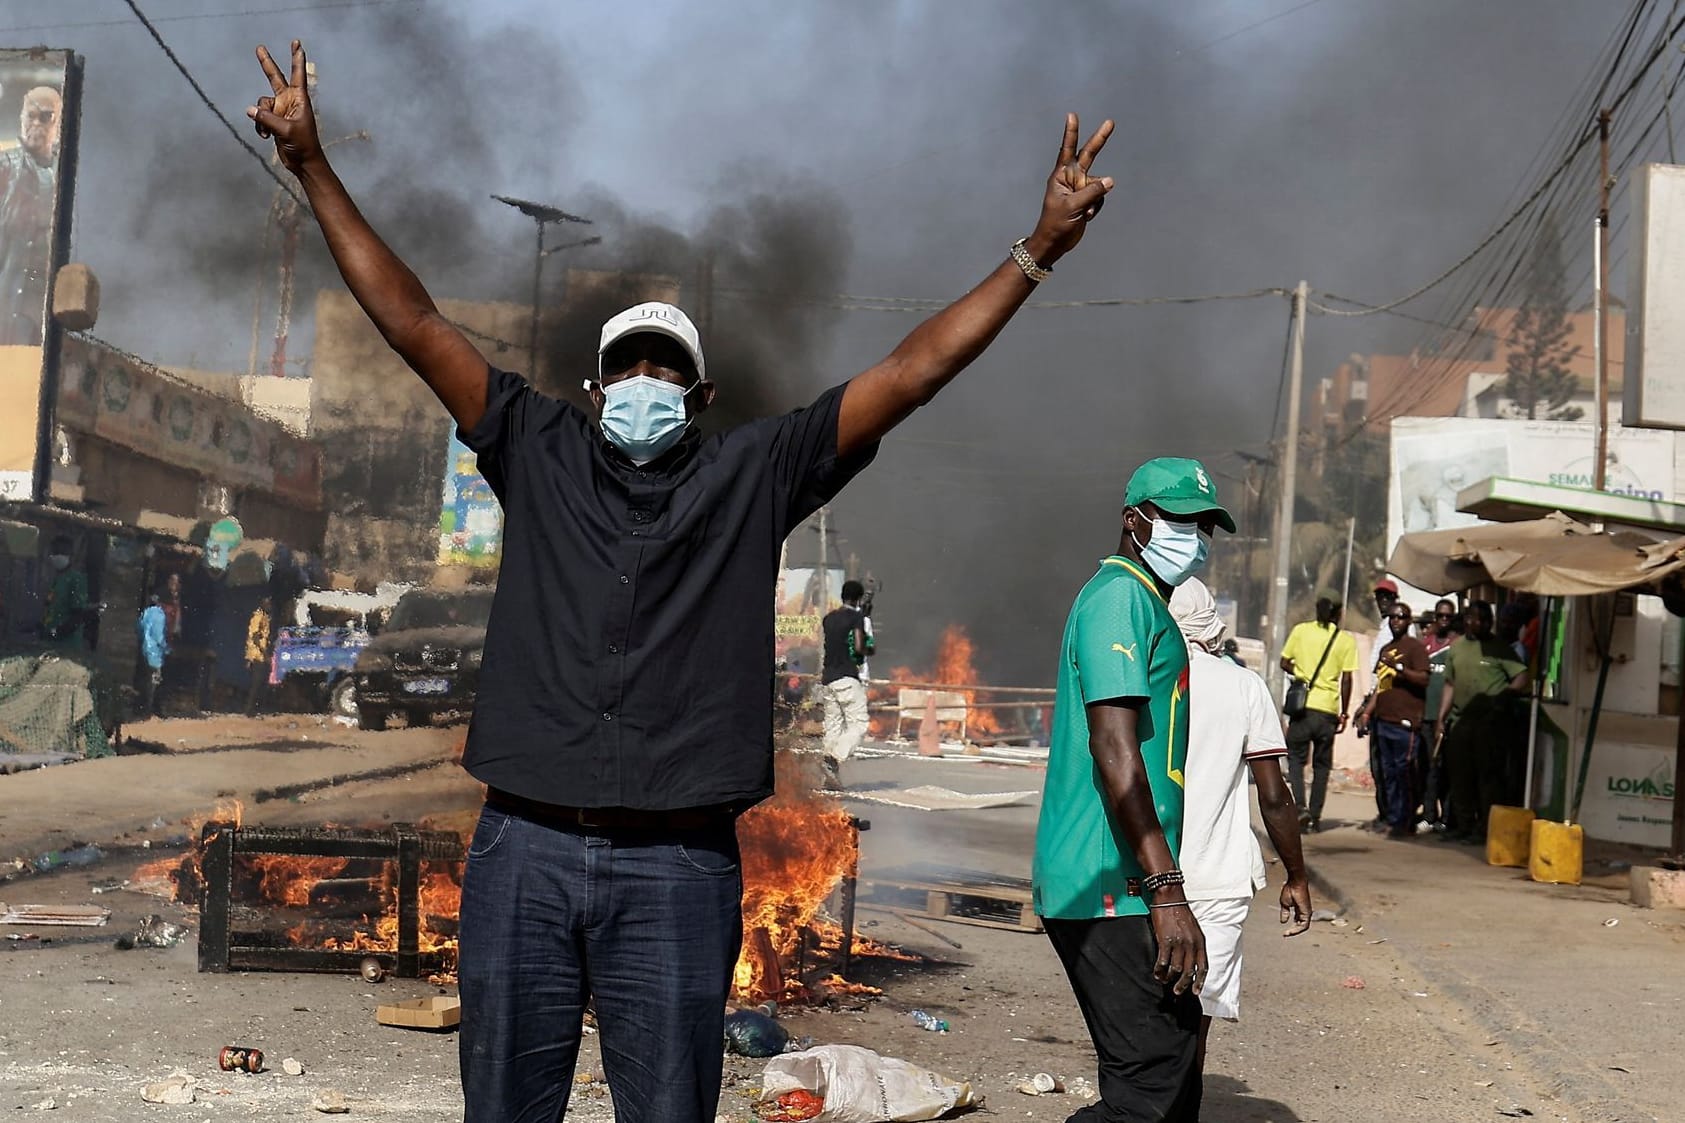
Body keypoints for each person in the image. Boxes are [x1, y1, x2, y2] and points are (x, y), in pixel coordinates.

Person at [248, 38, 1115, 1122]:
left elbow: (909, 373)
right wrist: (312, 166)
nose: (644, 382)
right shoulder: (535, 445)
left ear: (700, 396)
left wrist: (1036, 249)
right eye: (626, 366)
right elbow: (413, 321)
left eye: (665, 368)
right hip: (524, 849)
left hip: (677, 869)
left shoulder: (753, 474)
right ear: (593, 385)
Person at [1033, 457, 1235, 1121]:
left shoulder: (1143, 599)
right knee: (1148, 1085)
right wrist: (1165, 892)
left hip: (1125, 881)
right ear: (1134, 519)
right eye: (1180, 519)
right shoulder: (1117, 596)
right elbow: (1115, 753)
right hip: (1103, 879)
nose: (1196, 536)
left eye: (1204, 524)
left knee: (1171, 1067)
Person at [1167, 577, 1311, 1102]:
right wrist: (1295, 876)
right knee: (1193, 1021)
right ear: (1211, 625)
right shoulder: (1242, 685)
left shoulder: (1141, 678)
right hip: (1216, 880)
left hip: (1142, 878)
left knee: (1141, 1022)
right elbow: (1273, 795)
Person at [1436, 601, 1529, 844]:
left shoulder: (1499, 648)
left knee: (1488, 778)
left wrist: (1505, 695)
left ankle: (1484, 828)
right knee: (1460, 776)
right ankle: (1463, 825)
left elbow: (1521, 677)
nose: (1471, 622)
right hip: (1460, 721)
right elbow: (1449, 684)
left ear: (1488, 622)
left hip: (1490, 724)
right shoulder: (1456, 648)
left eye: (1477, 618)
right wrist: (1441, 719)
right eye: (1468, 617)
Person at [1278, 596, 1357, 832]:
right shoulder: (1345, 640)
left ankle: (1300, 807)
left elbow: (1284, 662)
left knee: (1295, 759)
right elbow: (1347, 679)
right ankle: (1315, 816)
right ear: (1338, 613)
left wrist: (1301, 673)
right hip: (1327, 711)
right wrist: (1343, 713)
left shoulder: (1301, 631)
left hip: (1303, 708)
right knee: (1322, 766)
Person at [1355, 601, 1429, 838]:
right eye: (1393, 617)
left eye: (1401, 617)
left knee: (1404, 772)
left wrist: (1399, 668)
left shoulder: (1415, 648)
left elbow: (1423, 679)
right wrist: (1367, 713)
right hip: (1383, 720)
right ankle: (1393, 818)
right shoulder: (1386, 648)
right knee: (1388, 774)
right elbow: (1381, 687)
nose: (1396, 620)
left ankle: (1404, 821)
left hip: (1405, 723)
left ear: (1409, 621)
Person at [0, 85, 63, 347]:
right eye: (30, 115)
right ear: (21, 118)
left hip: (44, 308)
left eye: (46, 116)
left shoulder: (66, 177)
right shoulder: (5, 166)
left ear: (58, 124)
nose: (36, 123)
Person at [819, 579, 873, 789]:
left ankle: (828, 779)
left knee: (833, 728)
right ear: (858, 598)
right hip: (847, 677)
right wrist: (869, 649)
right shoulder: (856, 617)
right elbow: (859, 647)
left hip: (828, 679)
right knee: (859, 724)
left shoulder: (828, 619)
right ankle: (834, 758)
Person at [39, 534, 91, 647]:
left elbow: (78, 615)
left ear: (71, 555)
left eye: (62, 551)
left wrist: (58, 632)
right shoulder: (57, 579)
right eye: (55, 551)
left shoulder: (76, 579)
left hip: (67, 645)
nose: (58, 555)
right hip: (51, 642)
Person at [136, 593, 169, 719]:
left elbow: (138, 629)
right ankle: (149, 710)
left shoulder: (145, 613)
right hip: (155, 653)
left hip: (144, 649)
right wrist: (166, 648)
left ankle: (143, 708)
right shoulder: (159, 615)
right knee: (155, 681)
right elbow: (159, 636)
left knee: (146, 679)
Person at [244, 597, 273, 716]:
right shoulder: (258, 616)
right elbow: (255, 637)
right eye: (268, 604)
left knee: (261, 684)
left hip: (262, 655)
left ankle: (256, 709)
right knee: (256, 683)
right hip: (257, 655)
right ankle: (249, 710)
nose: (270, 606)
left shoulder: (266, 617)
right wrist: (265, 654)